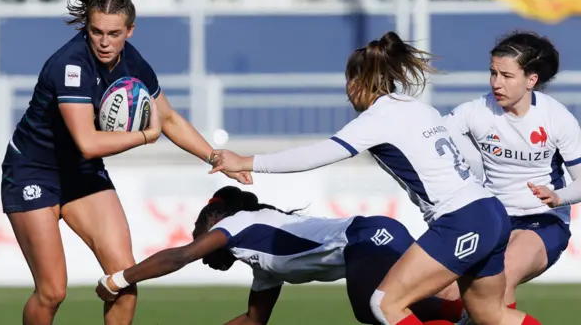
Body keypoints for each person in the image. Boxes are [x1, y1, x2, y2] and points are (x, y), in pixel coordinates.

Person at [206, 31, 542, 325]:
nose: (348, 92)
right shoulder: (418, 107)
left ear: (358, 81)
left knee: (385, 304)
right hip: (491, 212)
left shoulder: (378, 117)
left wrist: (247, 161)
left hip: (461, 219)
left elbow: (317, 155)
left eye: (348, 83)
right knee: (490, 315)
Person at [0, 0, 251, 325]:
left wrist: (214, 157)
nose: (104, 42)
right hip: (33, 171)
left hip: (81, 174)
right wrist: (147, 136)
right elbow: (88, 142)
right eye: (96, 32)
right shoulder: (70, 66)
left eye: (114, 33)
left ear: (130, 31)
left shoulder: (132, 62)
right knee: (53, 291)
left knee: (124, 279)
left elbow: (170, 118)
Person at [96, 186, 465, 324]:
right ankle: (465, 313)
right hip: (377, 234)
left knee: (371, 307)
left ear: (214, 220)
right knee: (393, 307)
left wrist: (119, 278)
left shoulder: (238, 223)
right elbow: (254, 321)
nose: (203, 249)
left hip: (367, 238)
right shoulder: (264, 266)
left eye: (201, 233)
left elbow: (179, 257)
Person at [442, 31, 581, 324]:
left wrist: (558, 197)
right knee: (444, 292)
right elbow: (432, 142)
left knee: (500, 278)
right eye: (493, 73)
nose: (496, 83)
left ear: (531, 80)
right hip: (493, 221)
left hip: (543, 221)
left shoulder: (557, 118)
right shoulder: (474, 112)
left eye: (506, 75)